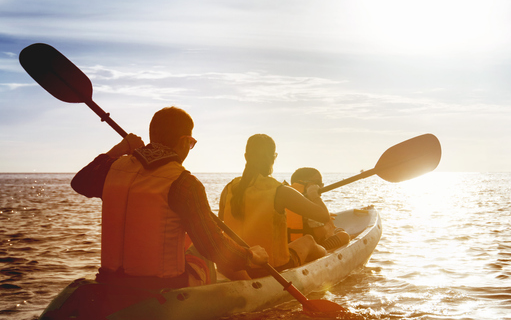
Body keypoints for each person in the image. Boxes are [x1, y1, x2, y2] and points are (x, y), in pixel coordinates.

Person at [71, 106, 268, 289]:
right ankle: (254, 291)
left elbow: (79, 182)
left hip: (110, 283)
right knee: (201, 246)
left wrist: (121, 148)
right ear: (184, 141)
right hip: (161, 287)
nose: (189, 148)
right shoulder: (184, 183)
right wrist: (250, 257)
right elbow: (213, 247)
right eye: (191, 143)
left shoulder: (112, 169)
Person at [218, 134, 329, 277]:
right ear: (273, 158)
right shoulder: (280, 191)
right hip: (271, 269)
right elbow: (323, 216)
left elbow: (222, 220)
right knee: (309, 240)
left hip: (237, 267)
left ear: (246, 157)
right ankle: (329, 259)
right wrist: (314, 194)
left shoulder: (228, 188)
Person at [286, 167, 350, 250]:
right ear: (306, 184)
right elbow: (319, 233)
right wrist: (329, 227)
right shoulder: (309, 203)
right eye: (317, 183)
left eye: (321, 184)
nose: (320, 187)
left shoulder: (286, 197)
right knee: (344, 236)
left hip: (288, 245)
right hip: (308, 248)